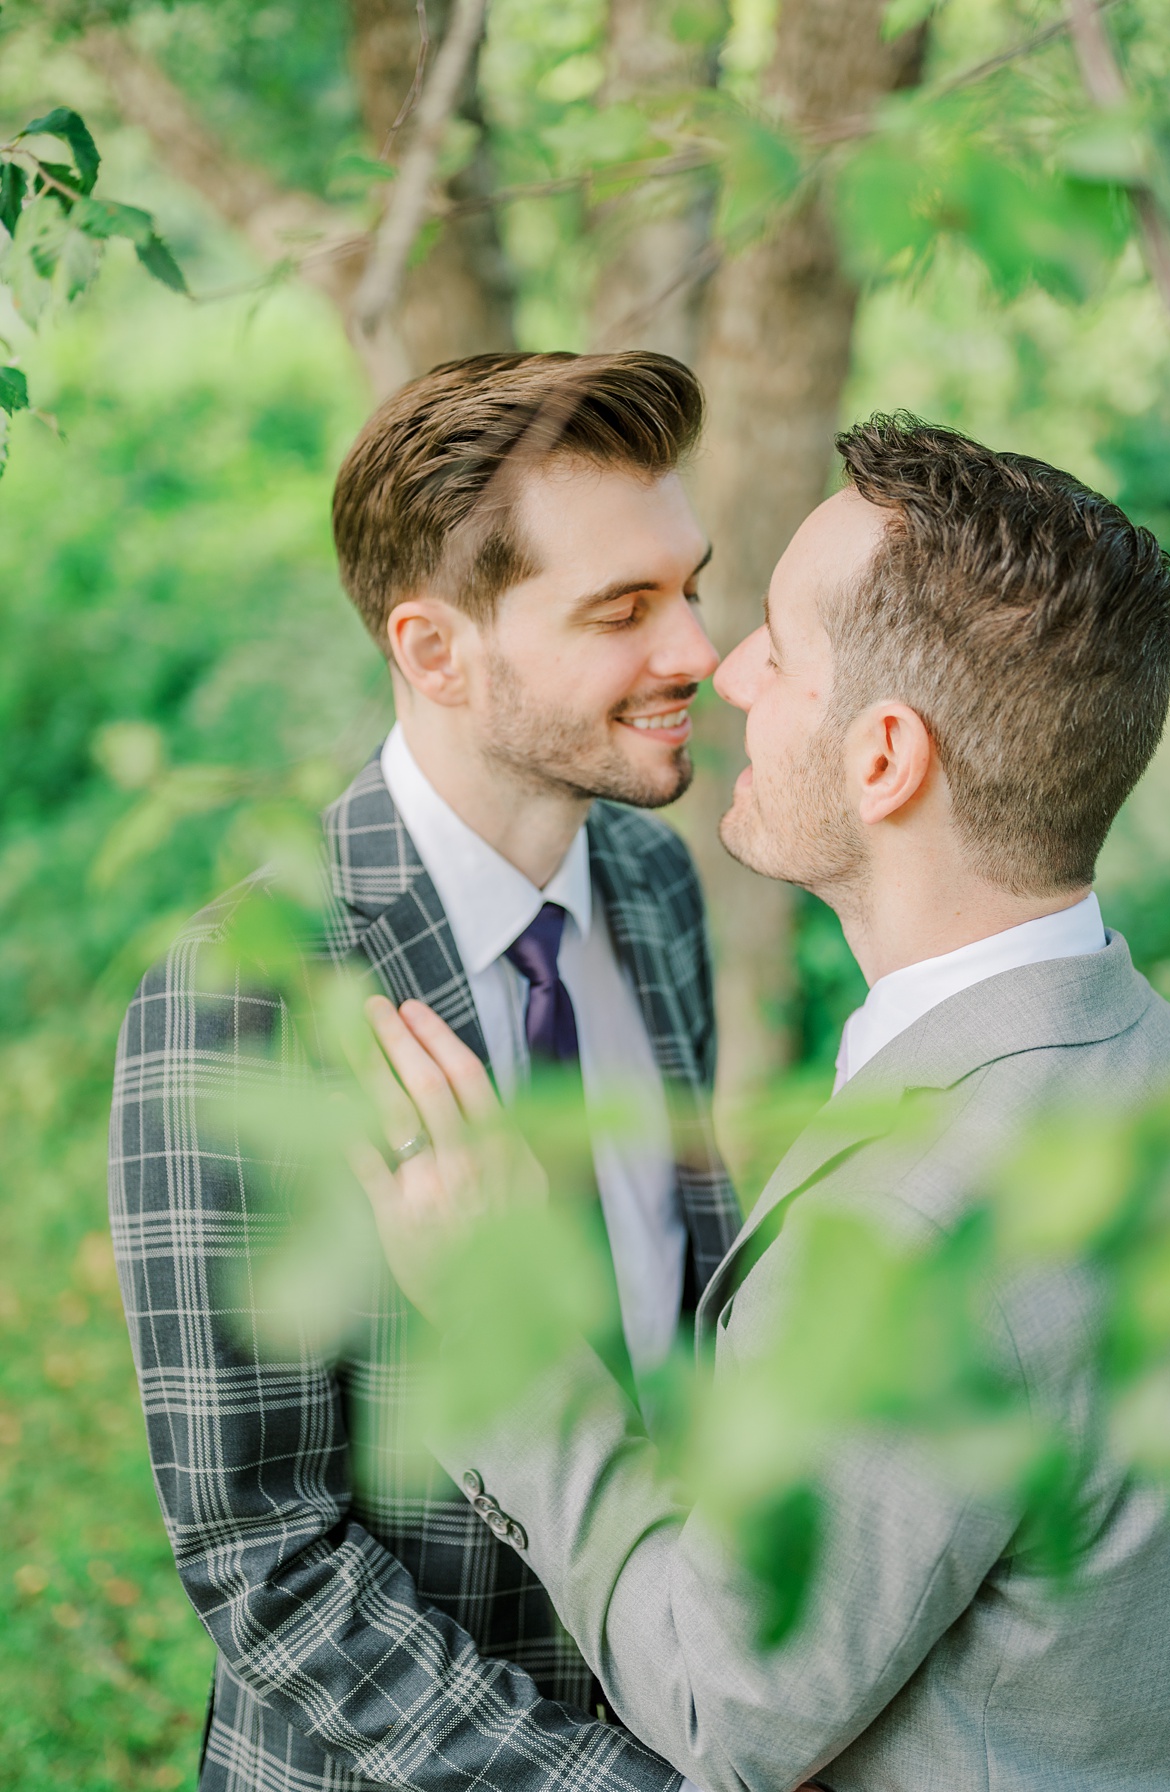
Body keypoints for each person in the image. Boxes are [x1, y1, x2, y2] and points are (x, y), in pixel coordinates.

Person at [351, 415, 1170, 1791]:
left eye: (781, 655)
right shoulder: (1148, 1062)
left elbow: (726, 1708)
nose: (723, 668)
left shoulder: (921, 1235)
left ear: (883, 761)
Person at [107, 351, 736, 1790]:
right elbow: (260, 1547)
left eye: (690, 584)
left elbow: (676, 1346)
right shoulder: (242, 996)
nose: (697, 648)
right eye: (623, 610)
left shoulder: (651, 883)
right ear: (436, 649)